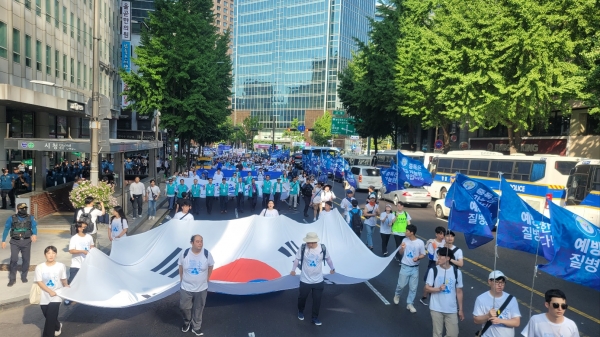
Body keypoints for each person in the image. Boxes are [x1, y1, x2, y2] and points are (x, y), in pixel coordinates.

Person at [290, 232, 335, 326]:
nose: (307, 244)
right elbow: (297, 259)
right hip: (305, 280)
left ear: (314, 242)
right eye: (307, 242)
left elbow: (328, 259)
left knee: (317, 300)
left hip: (318, 280)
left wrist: (332, 268)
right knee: (302, 298)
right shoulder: (303, 248)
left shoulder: (322, 248)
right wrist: (293, 270)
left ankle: (314, 318)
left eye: (309, 242)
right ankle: (300, 311)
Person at [179, 235, 214, 336]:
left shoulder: (207, 254)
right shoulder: (185, 253)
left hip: (201, 288)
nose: (200, 243)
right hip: (186, 287)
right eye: (197, 241)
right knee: (184, 307)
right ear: (192, 243)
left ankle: (196, 327)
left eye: (201, 241)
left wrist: (207, 278)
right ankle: (187, 322)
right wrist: (181, 278)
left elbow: (211, 266)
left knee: (198, 308)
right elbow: (180, 266)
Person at [424, 247, 464, 337]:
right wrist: (438, 289)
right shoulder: (433, 270)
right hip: (436, 308)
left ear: (448, 258)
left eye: (440, 256)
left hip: (451, 309)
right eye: (438, 256)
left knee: (453, 334)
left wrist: (460, 309)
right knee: (437, 334)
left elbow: (459, 291)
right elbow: (427, 288)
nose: (438, 258)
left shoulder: (457, 272)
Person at [473, 270, 521, 337]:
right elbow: (476, 320)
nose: (500, 285)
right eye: (497, 282)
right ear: (489, 282)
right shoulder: (481, 299)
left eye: (502, 282)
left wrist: (500, 320)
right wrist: (488, 316)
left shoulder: (512, 299)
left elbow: (517, 322)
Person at [35, 246, 68, 337]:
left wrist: (66, 285)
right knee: (49, 316)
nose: (51, 255)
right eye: (49, 253)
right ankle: (57, 326)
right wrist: (49, 291)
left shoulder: (61, 266)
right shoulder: (40, 267)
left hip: (57, 294)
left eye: (53, 253)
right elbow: (39, 281)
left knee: (50, 317)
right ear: (45, 255)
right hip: (44, 295)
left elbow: (63, 278)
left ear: (56, 254)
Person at [2, 203, 38, 286]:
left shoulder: (31, 217)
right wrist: (3, 240)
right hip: (15, 242)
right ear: (18, 209)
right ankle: (12, 279)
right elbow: (7, 228)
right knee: (14, 259)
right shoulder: (11, 218)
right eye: (22, 208)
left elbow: (34, 227)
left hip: (26, 241)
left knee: (26, 259)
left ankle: (24, 276)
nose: (24, 210)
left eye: (25, 208)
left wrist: (34, 234)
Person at [393, 224, 425, 313]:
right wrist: (402, 248)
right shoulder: (404, 240)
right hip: (405, 266)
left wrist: (418, 258)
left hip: (415, 268)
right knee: (401, 285)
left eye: (407, 231)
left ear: (412, 233)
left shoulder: (420, 242)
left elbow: (423, 254)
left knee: (413, 288)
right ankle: (397, 295)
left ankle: (410, 303)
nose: (405, 232)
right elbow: (400, 252)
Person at [420, 226, 446, 306]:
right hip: (433, 263)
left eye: (443, 234)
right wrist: (437, 251)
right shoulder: (432, 242)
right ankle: (424, 297)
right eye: (440, 234)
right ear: (436, 234)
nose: (442, 236)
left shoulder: (445, 242)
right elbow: (430, 256)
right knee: (429, 281)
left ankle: (436, 297)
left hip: (442, 264)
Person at [68, 221, 94, 286]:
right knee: (72, 283)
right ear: (79, 228)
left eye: (86, 227)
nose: (86, 228)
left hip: (87, 265)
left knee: (86, 284)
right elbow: (71, 251)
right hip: (76, 265)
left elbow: (92, 247)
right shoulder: (74, 238)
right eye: (84, 227)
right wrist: (82, 251)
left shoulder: (89, 237)